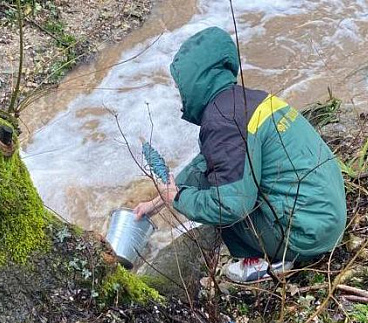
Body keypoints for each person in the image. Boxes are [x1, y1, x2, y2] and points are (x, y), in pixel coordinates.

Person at [134, 27, 346, 283]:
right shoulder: (250, 101)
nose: (179, 94)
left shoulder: (223, 121)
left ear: (195, 82)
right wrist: (157, 202)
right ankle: (278, 248)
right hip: (328, 217)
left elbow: (229, 207)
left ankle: (257, 264)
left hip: (306, 235)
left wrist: (179, 199)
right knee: (219, 175)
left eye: (180, 85)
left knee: (220, 193)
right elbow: (203, 165)